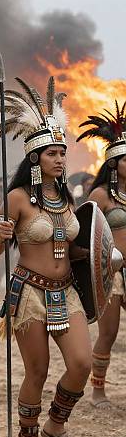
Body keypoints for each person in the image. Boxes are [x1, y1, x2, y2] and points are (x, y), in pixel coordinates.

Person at [0, 77, 91, 437]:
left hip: (67, 292)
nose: (60, 159)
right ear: (36, 158)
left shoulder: (68, 197)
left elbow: (77, 247)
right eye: (52, 154)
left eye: (63, 153)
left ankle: (55, 425)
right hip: (29, 293)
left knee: (81, 362)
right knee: (38, 370)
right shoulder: (16, 198)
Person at [77, 100, 126, 409]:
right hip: (113, 272)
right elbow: (86, 235)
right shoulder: (100, 196)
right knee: (108, 332)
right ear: (113, 163)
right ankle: (97, 390)